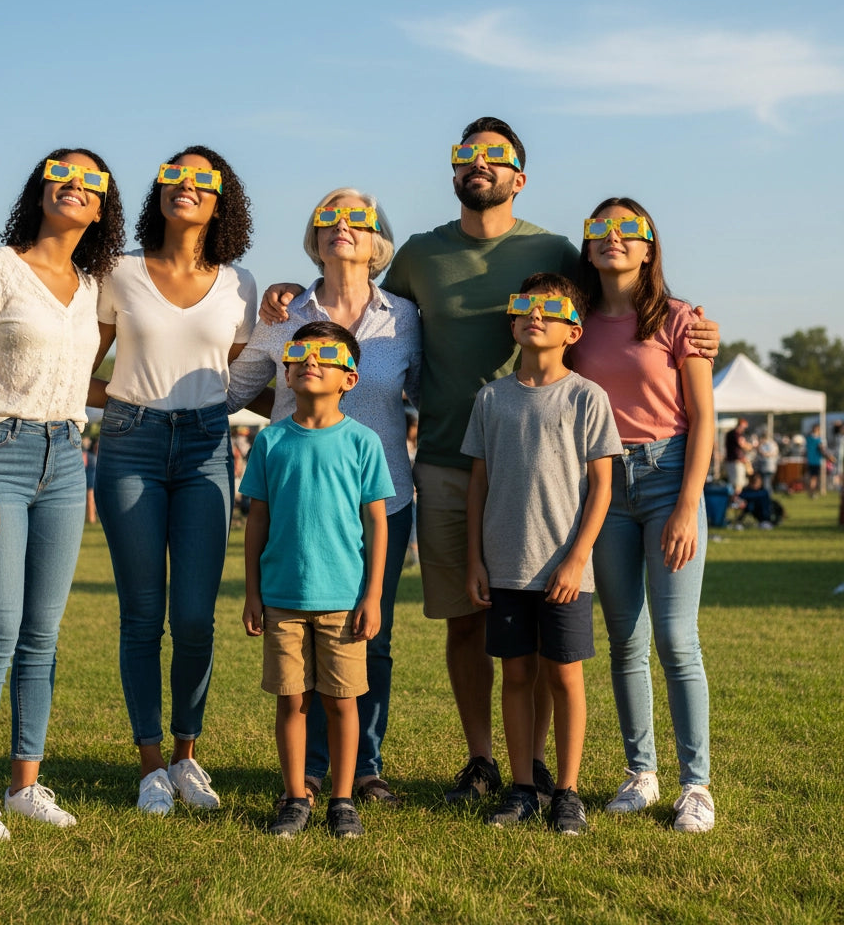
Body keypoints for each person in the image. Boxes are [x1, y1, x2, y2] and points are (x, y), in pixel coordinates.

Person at [261, 116, 720, 806]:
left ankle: (549, 775)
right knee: (467, 619)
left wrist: (691, 325)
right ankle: (483, 762)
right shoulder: (418, 255)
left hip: (550, 469)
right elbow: (356, 293)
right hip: (448, 461)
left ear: (519, 176)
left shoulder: (558, 249)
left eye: (495, 156)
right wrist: (287, 296)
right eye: (466, 154)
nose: (479, 164)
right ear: (453, 171)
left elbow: (612, 299)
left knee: (558, 630)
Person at [0, 147, 126, 840]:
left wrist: (152, 396)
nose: (74, 185)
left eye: (90, 181)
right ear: (39, 190)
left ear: (103, 205)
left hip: (67, 458)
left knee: (43, 636)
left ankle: (25, 784)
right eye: (61, 175)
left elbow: (82, 382)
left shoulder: (90, 287)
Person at [227, 187, 420, 805]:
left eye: (357, 218)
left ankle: (363, 766)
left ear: (378, 243)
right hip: (297, 508)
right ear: (314, 239)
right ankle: (308, 773)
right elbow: (235, 389)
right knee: (298, 645)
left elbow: (432, 394)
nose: (341, 225)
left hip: (379, 502)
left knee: (371, 636)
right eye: (328, 217)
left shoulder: (406, 317)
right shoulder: (286, 313)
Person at [90, 146, 256, 816]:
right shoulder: (119, 272)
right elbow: (82, 364)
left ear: (222, 200)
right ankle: (151, 764)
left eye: (202, 179)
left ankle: (189, 756)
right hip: (130, 444)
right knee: (141, 615)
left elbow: (244, 377)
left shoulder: (241, 284)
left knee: (193, 617)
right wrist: (128, 402)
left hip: (208, 445)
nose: (185, 185)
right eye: (174, 176)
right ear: (159, 191)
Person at [572, 197, 716, 833]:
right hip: (602, 485)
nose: (613, 238)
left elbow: (704, 418)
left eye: (629, 229)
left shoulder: (681, 319)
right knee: (624, 639)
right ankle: (642, 773)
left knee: (675, 639)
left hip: (666, 480)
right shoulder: (575, 321)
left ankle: (696, 785)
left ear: (650, 247)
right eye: (600, 228)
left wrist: (689, 504)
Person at [463, 274, 620, 834]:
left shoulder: (587, 397)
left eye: (551, 309)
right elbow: (477, 484)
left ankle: (568, 792)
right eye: (525, 305)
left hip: (565, 571)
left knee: (565, 676)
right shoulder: (491, 397)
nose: (536, 315)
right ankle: (523, 786)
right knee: (517, 675)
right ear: (513, 322)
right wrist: (475, 560)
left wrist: (579, 559)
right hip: (504, 565)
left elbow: (601, 487)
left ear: (573, 330)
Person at [240, 322, 393, 837]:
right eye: (300, 351)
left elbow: (376, 523)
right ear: (285, 370)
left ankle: (343, 799)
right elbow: (256, 520)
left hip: (344, 601)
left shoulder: (364, 442)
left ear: (349, 378)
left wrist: (372, 595)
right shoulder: (271, 440)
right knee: (292, 701)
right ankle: (294, 797)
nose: (311, 360)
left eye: (327, 354)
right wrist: (253, 592)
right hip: (281, 597)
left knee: (342, 700)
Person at [724, 419, 752, 495]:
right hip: (735, 462)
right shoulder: (734, 434)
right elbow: (742, 445)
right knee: (737, 483)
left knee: (738, 483)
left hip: (735, 461)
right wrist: (751, 446)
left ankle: (734, 500)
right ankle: (735, 500)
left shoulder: (734, 434)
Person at [804, 424, 831, 498]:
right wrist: (829, 457)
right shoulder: (818, 440)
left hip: (809, 460)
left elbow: (805, 450)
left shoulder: (808, 439)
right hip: (816, 461)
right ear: (818, 430)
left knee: (810, 477)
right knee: (814, 478)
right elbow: (822, 449)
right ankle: (812, 493)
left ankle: (810, 492)